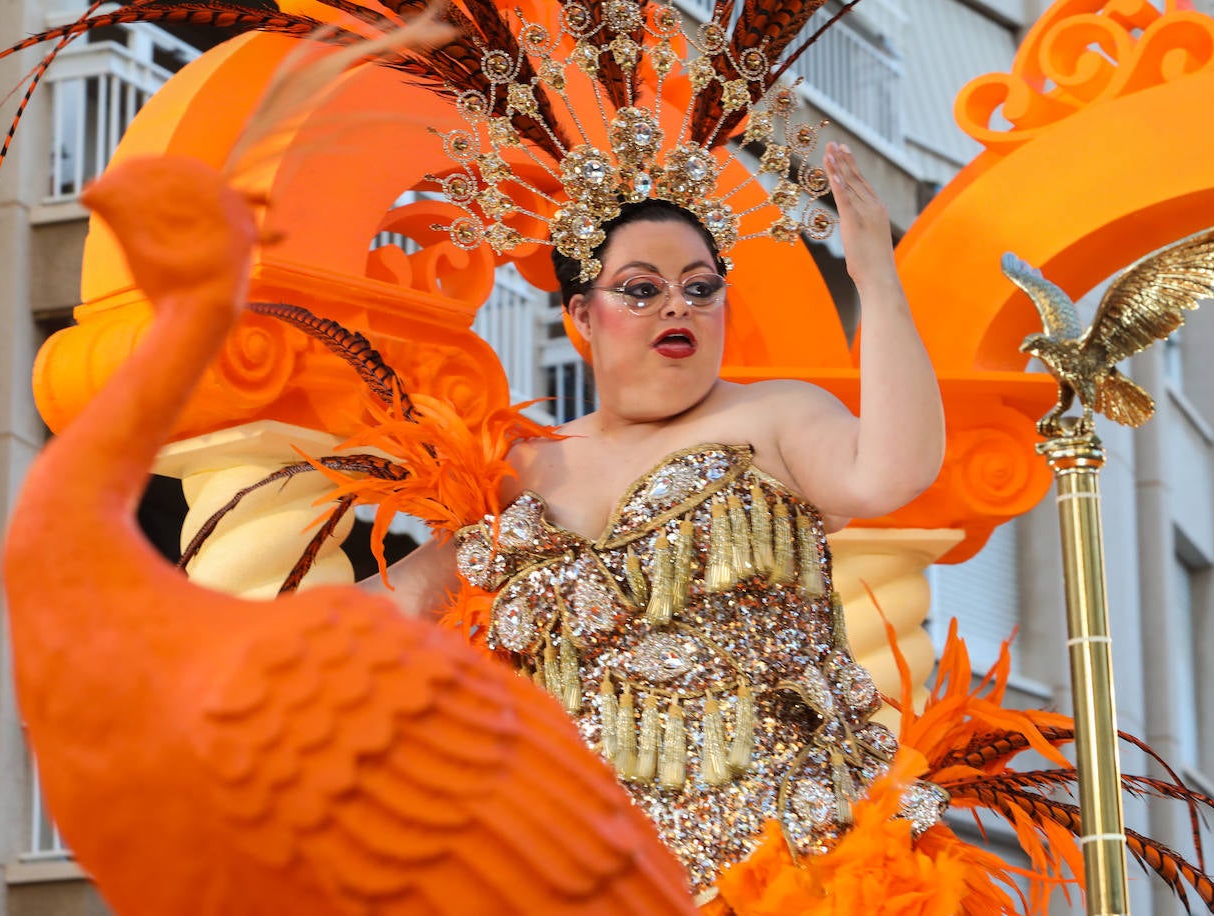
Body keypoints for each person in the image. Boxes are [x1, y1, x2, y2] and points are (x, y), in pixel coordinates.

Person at [378, 141, 945, 902]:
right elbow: (403, 605)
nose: (678, 305)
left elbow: (894, 472)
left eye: (701, 287)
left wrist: (877, 278)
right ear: (582, 314)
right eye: (641, 290)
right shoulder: (524, 465)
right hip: (573, 866)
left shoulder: (776, 414)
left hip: (786, 866)